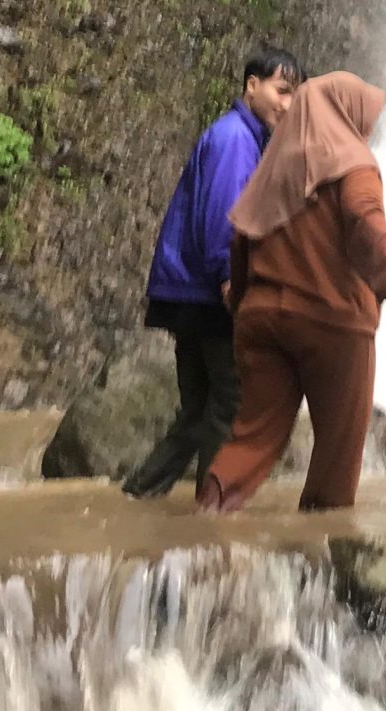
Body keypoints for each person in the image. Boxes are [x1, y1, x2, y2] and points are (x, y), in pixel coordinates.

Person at [196, 71, 386, 513]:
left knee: (254, 434)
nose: (366, 130)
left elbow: (241, 235)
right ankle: (322, 543)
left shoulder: (274, 166)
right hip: (331, 321)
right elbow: (364, 220)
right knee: (340, 441)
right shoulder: (353, 162)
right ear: (344, 112)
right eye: (363, 118)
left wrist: (242, 305)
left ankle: (209, 513)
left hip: (262, 320)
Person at [121, 46, 301, 499]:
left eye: (295, 96)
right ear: (251, 86)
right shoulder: (236, 140)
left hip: (187, 292)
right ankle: (211, 515)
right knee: (231, 404)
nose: (288, 104)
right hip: (208, 294)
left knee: (199, 411)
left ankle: (138, 497)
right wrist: (230, 280)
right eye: (281, 91)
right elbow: (225, 216)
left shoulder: (240, 137)